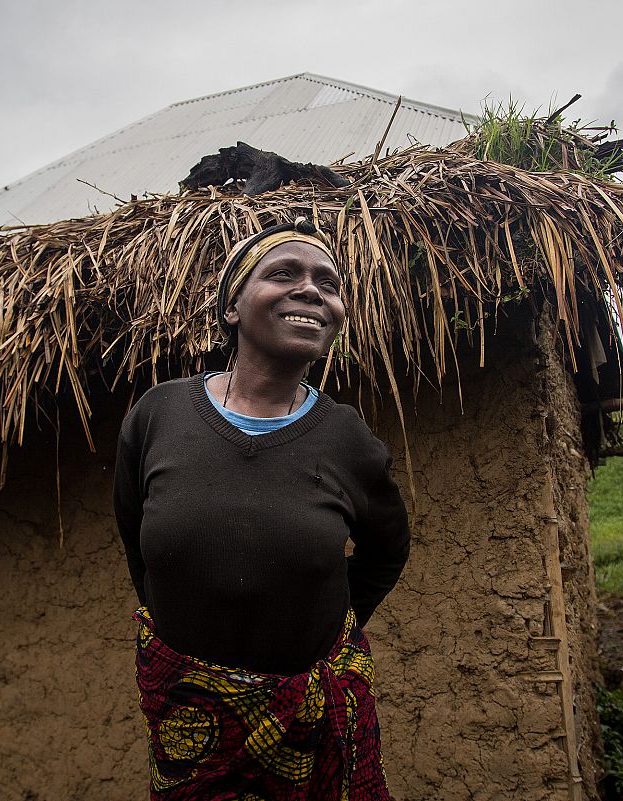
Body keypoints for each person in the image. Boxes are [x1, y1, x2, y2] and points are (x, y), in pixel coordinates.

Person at [113, 216, 410, 800]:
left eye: (329, 283)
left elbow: (388, 549)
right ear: (232, 307)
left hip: (312, 718)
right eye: (283, 274)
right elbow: (135, 542)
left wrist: (322, 626)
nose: (311, 291)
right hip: (187, 713)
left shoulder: (346, 438)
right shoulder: (159, 417)